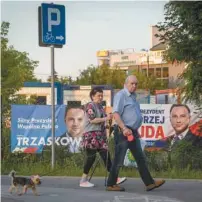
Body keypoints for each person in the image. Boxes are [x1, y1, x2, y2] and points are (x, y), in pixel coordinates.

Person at [106, 75, 165, 192]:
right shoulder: (121, 95)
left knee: (140, 158)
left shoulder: (133, 96)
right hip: (123, 131)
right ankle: (111, 184)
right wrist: (124, 128)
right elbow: (116, 113)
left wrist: (135, 129)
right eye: (132, 83)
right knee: (119, 159)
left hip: (132, 132)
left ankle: (149, 183)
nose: (134, 86)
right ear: (126, 83)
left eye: (136, 84)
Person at [79, 87, 126, 188]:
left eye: (101, 96)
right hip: (90, 135)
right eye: (98, 96)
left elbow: (102, 121)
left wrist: (109, 125)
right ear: (92, 96)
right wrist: (106, 118)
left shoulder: (100, 107)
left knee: (106, 155)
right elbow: (92, 120)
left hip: (100, 135)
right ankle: (83, 180)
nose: (100, 97)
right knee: (91, 157)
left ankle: (114, 178)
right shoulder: (89, 106)